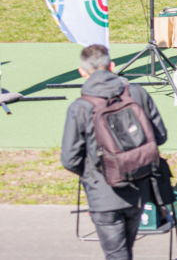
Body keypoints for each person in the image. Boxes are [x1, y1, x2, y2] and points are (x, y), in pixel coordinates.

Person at [61, 44, 169, 260]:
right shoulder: (136, 92)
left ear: (82, 72)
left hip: (103, 192)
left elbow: (70, 158)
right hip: (139, 186)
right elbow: (160, 136)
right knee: (125, 250)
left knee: (116, 254)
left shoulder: (80, 107)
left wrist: (94, 173)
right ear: (111, 66)